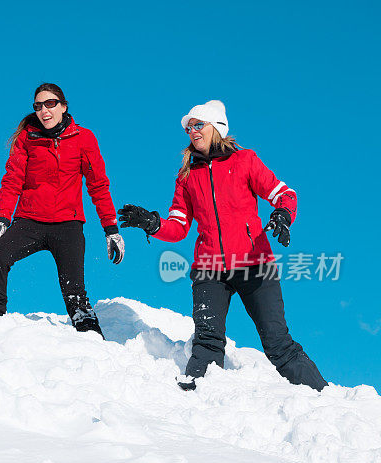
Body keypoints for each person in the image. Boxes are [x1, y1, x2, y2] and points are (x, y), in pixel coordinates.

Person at [117, 100, 327, 391]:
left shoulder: (245, 161)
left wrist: (282, 215)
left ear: (216, 127)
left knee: (278, 345)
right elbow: (178, 227)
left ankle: (324, 397)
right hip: (209, 268)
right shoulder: (187, 176)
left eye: (198, 124)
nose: (192, 131)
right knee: (206, 342)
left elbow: (284, 193)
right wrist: (152, 223)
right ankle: (196, 405)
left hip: (255, 264)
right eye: (188, 127)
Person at [0, 83, 124, 337]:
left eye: (50, 104)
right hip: (30, 221)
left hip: (68, 225)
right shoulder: (27, 138)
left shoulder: (83, 138)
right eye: (38, 106)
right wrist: (2, 219)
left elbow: (98, 185)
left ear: (63, 106)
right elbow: (12, 179)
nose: (44, 110)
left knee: (75, 290)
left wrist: (111, 229)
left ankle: (93, 341)